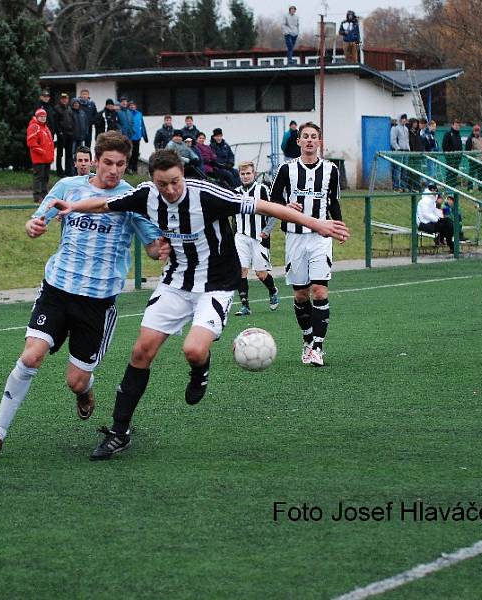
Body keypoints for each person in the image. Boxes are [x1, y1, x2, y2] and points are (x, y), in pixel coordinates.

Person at [46, 148, 349, 460]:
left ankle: (200, 369)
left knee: (193, 349)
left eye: (176, 181)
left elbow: (267, 207)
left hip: (216, 285)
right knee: (141, 350)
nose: (171, 190)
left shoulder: (207, 195)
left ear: (183, 175)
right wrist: (72, 206)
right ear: (153, 180)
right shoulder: (146, 195)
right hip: (176, 281)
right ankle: (119, 431)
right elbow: (105, 203)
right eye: (163, 184)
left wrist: (318, 224)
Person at [0, 131, 169, 460]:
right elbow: (37, 221)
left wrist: (160, 248)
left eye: (121, 164)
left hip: (97, 303)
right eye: (108, 162)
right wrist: (33, 226)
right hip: (57, 290)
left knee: (76, 381)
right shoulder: (69, 187)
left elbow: (152, 247)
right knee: (30, 356)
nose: (114, 170)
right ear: (95, 160)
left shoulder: (132, 200)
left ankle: (85, 391)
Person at [269, 121, 343, 367]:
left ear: (319, 141)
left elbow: (333, 202)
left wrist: (338, 226)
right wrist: (286, 207)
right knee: (301, 295)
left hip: (321, 238)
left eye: (314, 136)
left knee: (320, 290)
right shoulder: (285, 169)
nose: (310, 140)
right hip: (295, 238)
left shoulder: (331, 170)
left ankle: (318, 348)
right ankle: (308, 339)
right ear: (298, 141)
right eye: (305, 136)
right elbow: (273, 200)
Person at [233, 161, 279, 316]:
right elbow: (233, 217)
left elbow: (274, 211)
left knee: (260, 273)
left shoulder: (262, 190)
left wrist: (267, 231)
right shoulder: (235, 192)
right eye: (242, 173)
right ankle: (245, 306)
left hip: (259, 237)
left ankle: (273, 290)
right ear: (239, 175)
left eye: (248, 173)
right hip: (240, 236)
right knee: (241, 270)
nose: (245, 176)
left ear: (254, 174)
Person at [26, 108, 54, 203]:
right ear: (37, 117)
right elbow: (31, 143)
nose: (43, 118)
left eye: (44, 116)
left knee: (45, 177)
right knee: (38, 177)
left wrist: (50, 155)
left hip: (46, 158)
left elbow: (50, 143)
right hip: (39, 158)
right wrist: (41, 151)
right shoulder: (34, 127)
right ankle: (37, 196)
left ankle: (44, 194)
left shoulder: (45, 128)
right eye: (41, 116)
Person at [416, 183, 454, 253]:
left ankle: (443, 240)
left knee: (449, 222)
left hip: (431, 221)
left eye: (435, 190)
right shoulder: (425, 201)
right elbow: (425, 214)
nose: (435, 192)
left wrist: (441, 217)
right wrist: (437, 219)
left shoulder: (432, 200)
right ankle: (448, 243)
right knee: (445, 225)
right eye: (433, 190)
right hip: (423, 223)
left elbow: (434, 211)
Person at [53, 93, 75, 177]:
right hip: (62, 134)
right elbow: (56, 122)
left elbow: (73, 121)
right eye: (63, 98)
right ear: (60, 99)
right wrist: (59, 132)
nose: (64, 100)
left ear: (68, 99)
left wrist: (73, 131)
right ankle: (59, 171)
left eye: (66, 98)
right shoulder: (57, 108)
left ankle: (68, 171)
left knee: (69, 154)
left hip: (70, 134)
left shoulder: (69, 108)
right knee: (60, 154)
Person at [127, 100, 148, 174]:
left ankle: (135, 169)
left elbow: (142, 125)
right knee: (130, 153)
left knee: (136, 153)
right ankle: (129, 168)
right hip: (130, 137)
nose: (132, 106)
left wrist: (145, 136)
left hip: (138, 137)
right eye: (130, 105)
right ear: (128, 106)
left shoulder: (139, 114)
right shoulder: (128, 113)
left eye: (133, 105)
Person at [390, 113, 410, 191]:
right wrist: (398, 148)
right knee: (397, 169)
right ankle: (396, 187)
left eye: (405, 118)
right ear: (399, 119)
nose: (404, 120)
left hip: (406, 151)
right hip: (398, 151)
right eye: (402, 118)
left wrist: (408, 149)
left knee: (405, 170)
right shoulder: (395, 128)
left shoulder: (406, 129)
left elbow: (407, 140)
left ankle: (403, 186)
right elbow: (393, 140)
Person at [441, 119, 463, 188]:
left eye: (458, 125)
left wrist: (460, 156)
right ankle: (448, 186)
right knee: (450, 172)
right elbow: (444, 145)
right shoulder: (448, 134)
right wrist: (448, 155)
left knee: (455, 172)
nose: (457, 127)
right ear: (452, 125)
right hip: (450, 157)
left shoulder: (458, 135)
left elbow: (460, 146)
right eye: (456, 125)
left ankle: (453, 186)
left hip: (457, 158)